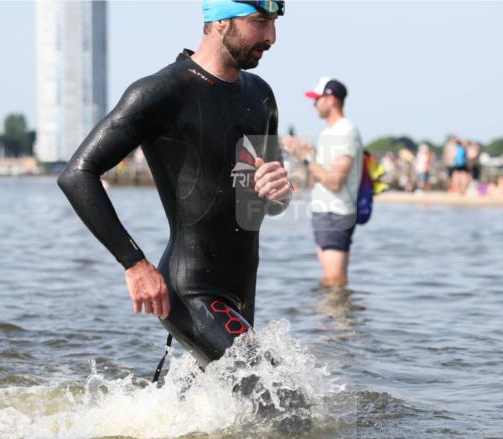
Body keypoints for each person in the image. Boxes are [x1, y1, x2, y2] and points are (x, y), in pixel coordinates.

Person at [57, 0, 291, 369]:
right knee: (282, 402)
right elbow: (77, 174)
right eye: (259, 22)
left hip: (242, 291)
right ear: (218, 22)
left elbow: (263, 201)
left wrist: (279, 192)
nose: (271, 36)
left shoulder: (260, 96)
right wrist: (134, 264)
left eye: (274, 23)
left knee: (229, 416)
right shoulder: (162, 92)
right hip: (190, 290)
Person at [287, 77, 364, 287]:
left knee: (334, 281)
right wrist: (302, 155)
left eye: (317, 99)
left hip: (336, 213)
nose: (314, 104)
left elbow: (335, 181)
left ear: (331, 99)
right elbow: (316, 178)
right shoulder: (328, 132)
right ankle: (330, 318)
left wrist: (307, 157)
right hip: (325, 212)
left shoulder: (345, 131)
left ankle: (339, 318)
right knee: (331, 281)